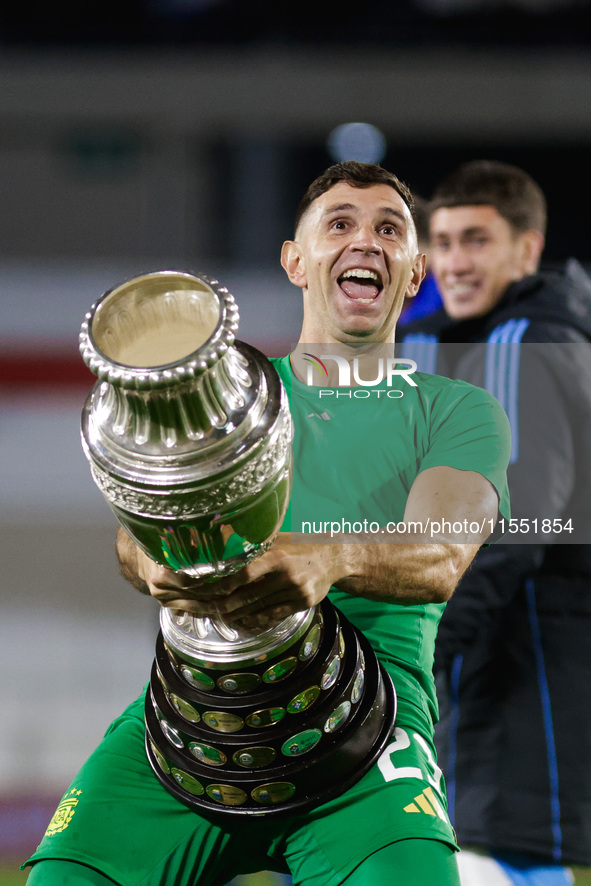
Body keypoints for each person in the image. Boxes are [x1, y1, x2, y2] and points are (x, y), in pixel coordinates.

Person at [23, 161, 511, 886]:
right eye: (338, 224)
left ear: (414, 274)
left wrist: (329, 559)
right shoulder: (228, 394)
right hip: (193, 718)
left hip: (366, 728)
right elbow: (137, 532)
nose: (364, 242)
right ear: (294, 259)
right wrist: (150, 559)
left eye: (388, 230)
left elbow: (440, 555)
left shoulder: (454, 410)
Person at [400, 159, 591, 885]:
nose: (452, 261)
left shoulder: (522, 341)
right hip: (507, 664)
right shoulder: (469, 341)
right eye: (442, 242)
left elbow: (516, 525)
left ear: (527, 249)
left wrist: (420, 651)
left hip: (516, 667)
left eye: (475, 240)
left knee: (491, 856)